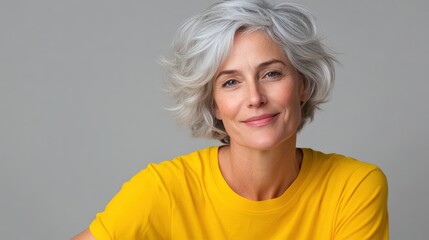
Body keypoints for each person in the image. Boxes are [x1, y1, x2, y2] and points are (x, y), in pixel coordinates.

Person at [72, 0, 389, 239]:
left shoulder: (353, 187)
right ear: (213, 104)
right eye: (231, 82)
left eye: (271, 73)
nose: (255, 97)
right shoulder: (163, 190)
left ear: (303, 85)